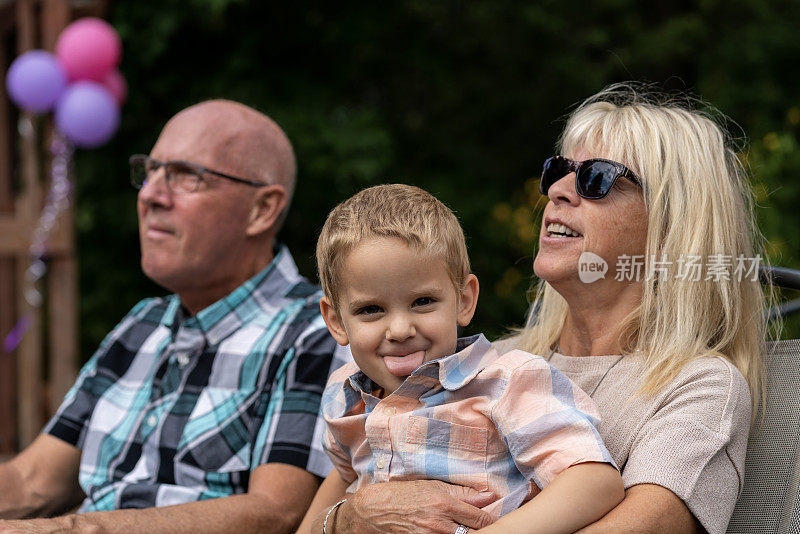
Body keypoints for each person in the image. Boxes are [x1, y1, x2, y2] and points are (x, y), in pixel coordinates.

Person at [329, 85, 769, 534]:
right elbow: (330, 513)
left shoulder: (700, 387)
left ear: (675, 219)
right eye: (558, 170)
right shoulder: (480, 364)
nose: (556, 190)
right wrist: (348, 517)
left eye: (595, 177)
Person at [0, 100, 346, 533]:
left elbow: (275, 514)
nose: (149, 195)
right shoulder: (143, 323)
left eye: (184, 175)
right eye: (151, 171)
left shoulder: (317, 331)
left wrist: (66, 530)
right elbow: (33, 481)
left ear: (262, 210)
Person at [298, 184, 624, 534]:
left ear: (464, 300)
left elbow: (593, 481)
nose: (400, 329)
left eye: (422, 302)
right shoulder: (345, 398)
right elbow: (345, 477)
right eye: (371, 310)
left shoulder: (506, 383)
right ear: (335, 321)